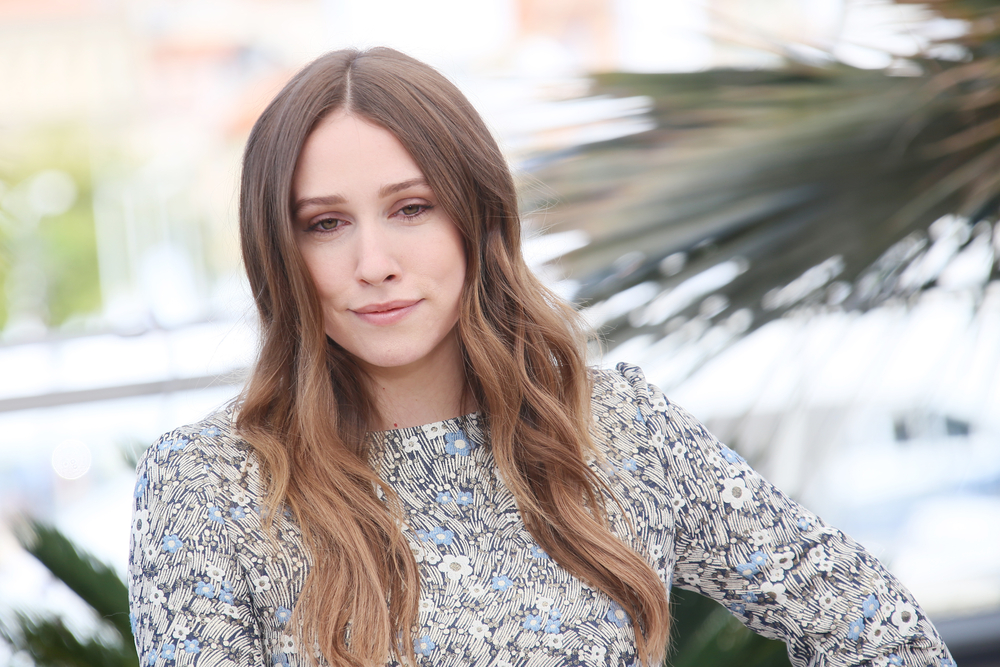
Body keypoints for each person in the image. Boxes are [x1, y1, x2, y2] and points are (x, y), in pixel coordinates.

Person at [127, 47, 955, 667]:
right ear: (278, 251)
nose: (373, 262)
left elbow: (881, 631)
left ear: (476, 216)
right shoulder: (208, 485)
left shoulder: (617, 427)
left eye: (411, 208)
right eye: (326, 223)